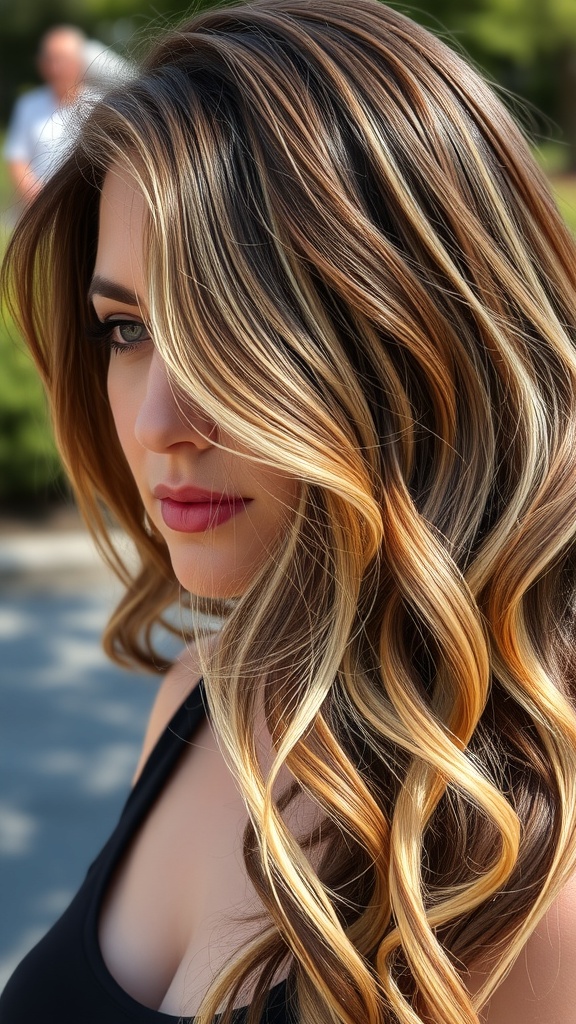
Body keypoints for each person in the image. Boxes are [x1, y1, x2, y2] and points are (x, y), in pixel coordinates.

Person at [2, 0, 576, 1021]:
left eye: (233, 329)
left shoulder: (529, 869)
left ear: (427, 338)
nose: (158, 422)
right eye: (127, 327)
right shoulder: (199, 696)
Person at [3, 25, 130, 204]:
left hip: (85, 206)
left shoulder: (100, 105)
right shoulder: (28, 105)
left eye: (62, 60)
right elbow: (17, 158)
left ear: (79, 62)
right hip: (38, 208)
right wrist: (40, 202)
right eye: (50, 60)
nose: (56, 68)